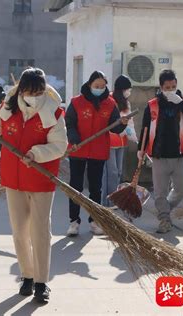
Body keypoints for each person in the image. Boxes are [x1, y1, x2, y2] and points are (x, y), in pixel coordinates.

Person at [0, 68, 67, 303]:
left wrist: (36, 153)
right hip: (14, 179)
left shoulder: (53, 111)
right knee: (19, 231)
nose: (34, 96)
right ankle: (27, 276)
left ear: (43, 90)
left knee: (40, 232)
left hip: (40, 179)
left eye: (38, 91)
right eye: (29, 91)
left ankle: (41, 282)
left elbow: (60, 145)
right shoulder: (7, 107)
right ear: (21, 90)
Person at [66, 71, 128, 236]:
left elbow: (114, 127)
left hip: (98, 151)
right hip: (77, 149)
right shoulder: (76, 102)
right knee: (75, 187)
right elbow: (69, 123)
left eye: (102, 86)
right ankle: (74, 222)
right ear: (89, 85)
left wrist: (121, 124)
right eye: (96, 86)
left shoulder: (110, 104)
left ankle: (94, 221)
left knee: (96, 188)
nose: (99, 89)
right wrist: (74, 139)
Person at [138, 69, 183, 233]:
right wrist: (140, 149)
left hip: (180, 154)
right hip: (159, 154)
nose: (171, 89)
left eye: (173, 86)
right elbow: (145, 127)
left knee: (182, 187)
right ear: (161, 87)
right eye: (168, 87)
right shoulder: (152, 105)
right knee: (160, 192)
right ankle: (164, 219)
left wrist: (180, 103)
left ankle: (165, 210)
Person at [101, 75, 138, 207]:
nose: (129, 91)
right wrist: (123, 129)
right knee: (111, 172)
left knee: (119, 172)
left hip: (122, 142)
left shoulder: (126, 103)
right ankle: (108, 201)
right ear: (121, 89)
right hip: (109, 141)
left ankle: (114, 198)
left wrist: (133, 136)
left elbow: (130, 123)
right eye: (127, 89)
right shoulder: (109, 100)